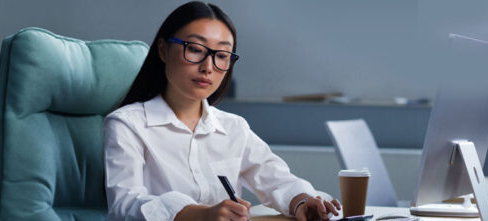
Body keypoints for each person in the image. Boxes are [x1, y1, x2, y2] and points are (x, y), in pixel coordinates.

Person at [104, 2, 340, 221]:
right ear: (164, 51)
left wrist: (303, 202)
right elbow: (124, 204)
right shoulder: (127, 124)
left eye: (221, 56)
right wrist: (198, 215)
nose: (208, 67)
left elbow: (278, 179)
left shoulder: (233, 127)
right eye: (195, 49)